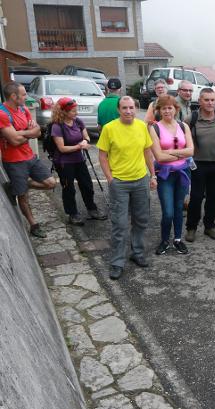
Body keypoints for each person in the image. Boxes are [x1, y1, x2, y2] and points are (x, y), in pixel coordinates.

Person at [97, 96, 156, 280]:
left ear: (135, 109)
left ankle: (137, 253)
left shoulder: (141, 126)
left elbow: (147, 151)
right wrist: (110, 179)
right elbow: (102, 155)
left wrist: (152, 175)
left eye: (131, 107)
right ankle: (117, 262)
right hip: (119, 183)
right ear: (118, 109)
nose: (128, 111)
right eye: (124, 108)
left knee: (141, 220)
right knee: (120, 225)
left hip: (140, 180)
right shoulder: (109, 128)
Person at [0, 81, 55, 237]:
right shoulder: (2, 114)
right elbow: (14, 141)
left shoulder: (23, 109)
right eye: (23, 94)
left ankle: (19, 186)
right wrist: (28, 132)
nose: (27, 97)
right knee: (22, 196)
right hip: (13, 161)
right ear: (13, 96)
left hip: (30, 156)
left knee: (50, 183)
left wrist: (22, 133)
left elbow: (38, 132)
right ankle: (34, 225)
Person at [148, 95, 194, 256]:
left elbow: (191, 151)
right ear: (159, 110)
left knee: (179, 208)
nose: (167, 110)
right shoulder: (155, 128)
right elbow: (159, 157)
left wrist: (170, 152)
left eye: (170, 107)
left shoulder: (183, 126)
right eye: (164, 108)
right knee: (168, 211)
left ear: (176, 109)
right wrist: (181, 154)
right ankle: (165, 240)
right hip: (165, 175)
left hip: (183, 173)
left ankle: (177, 240)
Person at [50, 97, 107, 225]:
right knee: (68, 188)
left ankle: (92, 209)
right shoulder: (57, 126)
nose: (76, 113)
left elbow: (86, 136)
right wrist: (79, 146)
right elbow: (62, 148)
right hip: (64, 163)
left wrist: (85, 141)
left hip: (79, 160)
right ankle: (72, 214)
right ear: (63, 112)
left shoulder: (77, 122)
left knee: (87, 185)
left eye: (76, 110)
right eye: (73, 111)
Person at [185, 88, 215, 242]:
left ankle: (209, 227)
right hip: (197, 164)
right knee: (196, 197)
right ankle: (191, 228)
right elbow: (182, 139)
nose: (210, 103)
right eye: (207, 100)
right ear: (200, 101)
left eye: (213, 100)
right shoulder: (190, 119)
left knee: (213, 197)